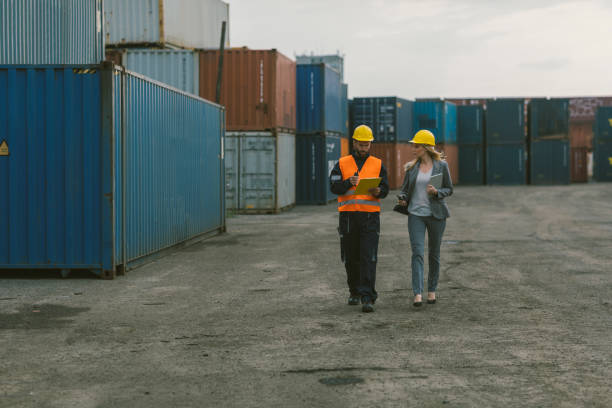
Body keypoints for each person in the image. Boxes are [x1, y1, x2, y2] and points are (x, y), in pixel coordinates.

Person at [329, 125, 389, 313]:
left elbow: (386, 188)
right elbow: (334, 187)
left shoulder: (378, 164)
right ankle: (354, 292)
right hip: (348, 217)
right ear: (354, 142)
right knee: (351, 257)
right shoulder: (342, 163)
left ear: (370, 144)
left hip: (370, 218)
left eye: (367, 145)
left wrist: (380, 191)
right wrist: (348, 183)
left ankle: (367, 297)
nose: (364, 148)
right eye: (361, 144)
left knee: (368, 257)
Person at [397, 130, 453, 307]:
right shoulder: (412, 168)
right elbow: (404, 189)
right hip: (415, 215)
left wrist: (437, 192)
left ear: (426, 147)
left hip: (436, 215)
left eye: (416, 146)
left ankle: (432, 290)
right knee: (417, 253)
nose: (413, 149)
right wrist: (403, 198)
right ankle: (417, 293)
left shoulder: (441, 166)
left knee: (434, 254)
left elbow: (449, 189)